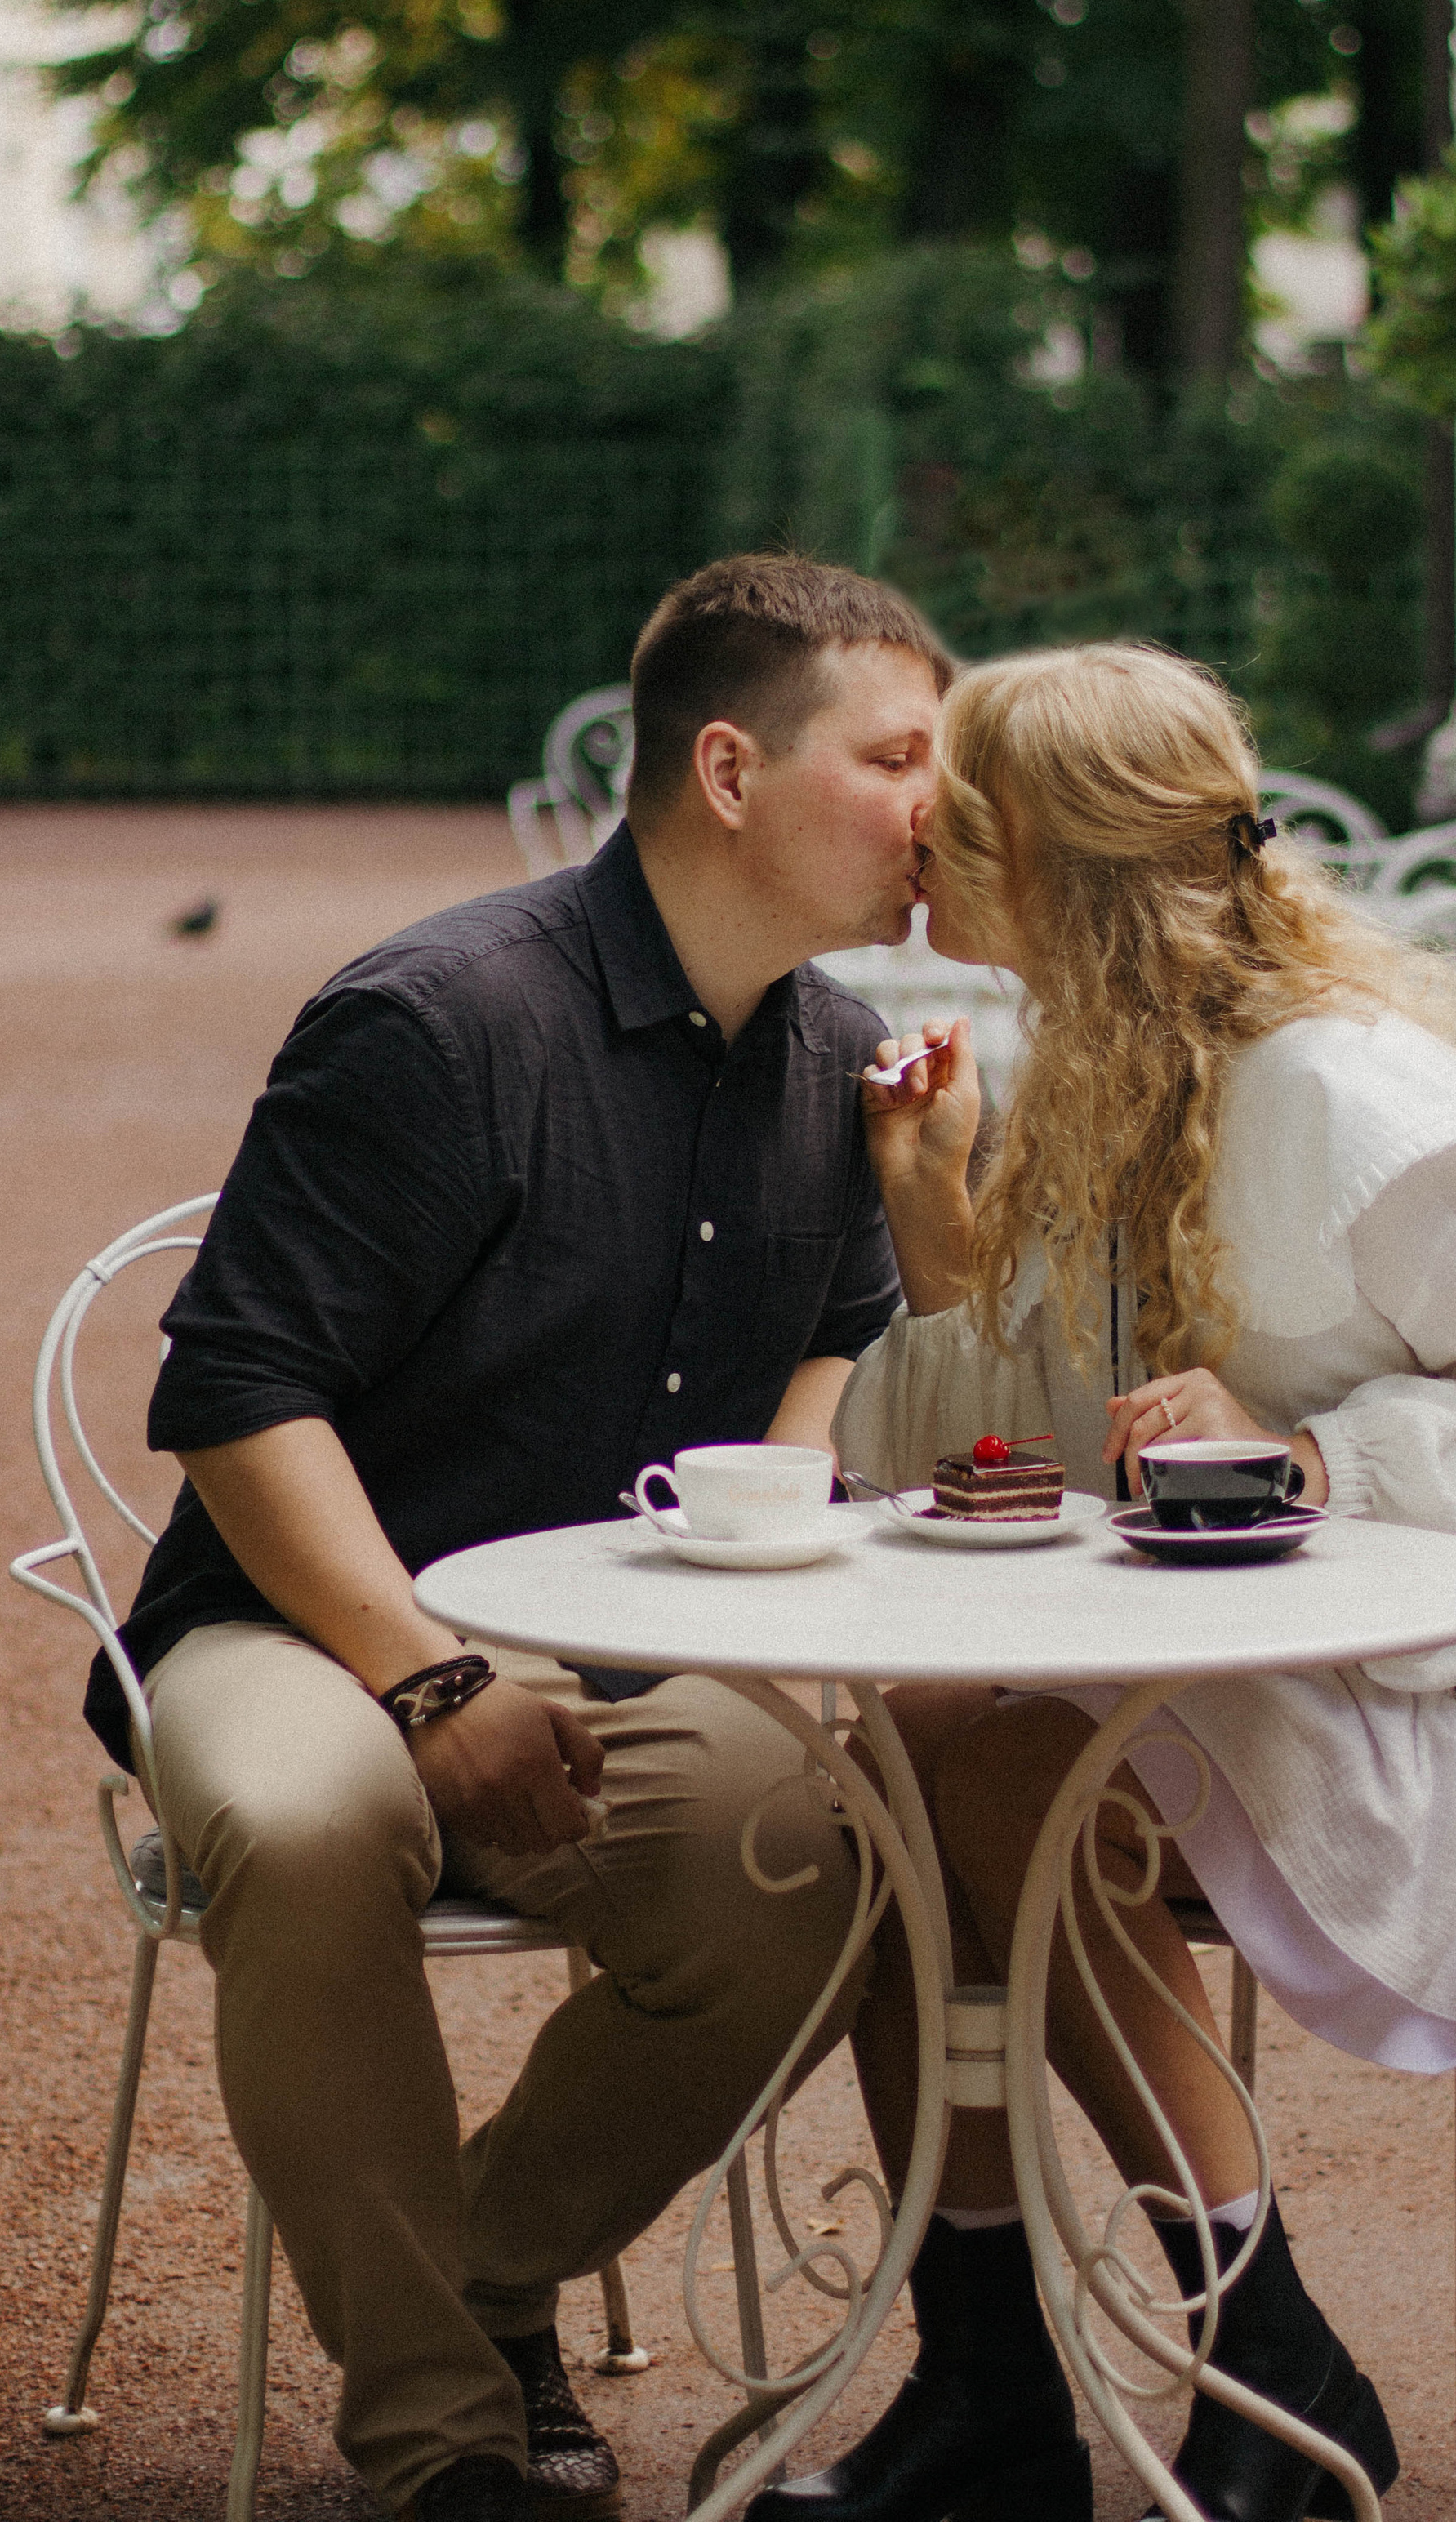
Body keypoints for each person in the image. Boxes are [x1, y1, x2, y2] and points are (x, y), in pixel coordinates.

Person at [751, 641, 1456, 2522]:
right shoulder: (1101, 1070)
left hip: (1452, 1689)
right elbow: (1038, 1442)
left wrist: (1315, 1458)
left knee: (980, 1776)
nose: (912, 842)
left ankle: (1256, 2349)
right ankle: (987, 2389)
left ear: (1055, 862)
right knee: (908, 1771)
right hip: (1231, 1659)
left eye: (951, 816)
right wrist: (933, 1223)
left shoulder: (1352, 1090)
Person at [84, 555, 953, 2522]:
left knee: (823, 1859)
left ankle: (488, 2268)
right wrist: (430, 1676)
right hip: (306, 1633)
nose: (937, 806)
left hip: (620, 1647)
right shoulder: (438, 1020)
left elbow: (844, 1340)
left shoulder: (842, 1060)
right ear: (728, 770)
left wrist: (793, 1477)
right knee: (311, 1833)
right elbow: (235, 1393)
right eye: (895, 757)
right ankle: (441, 2447)